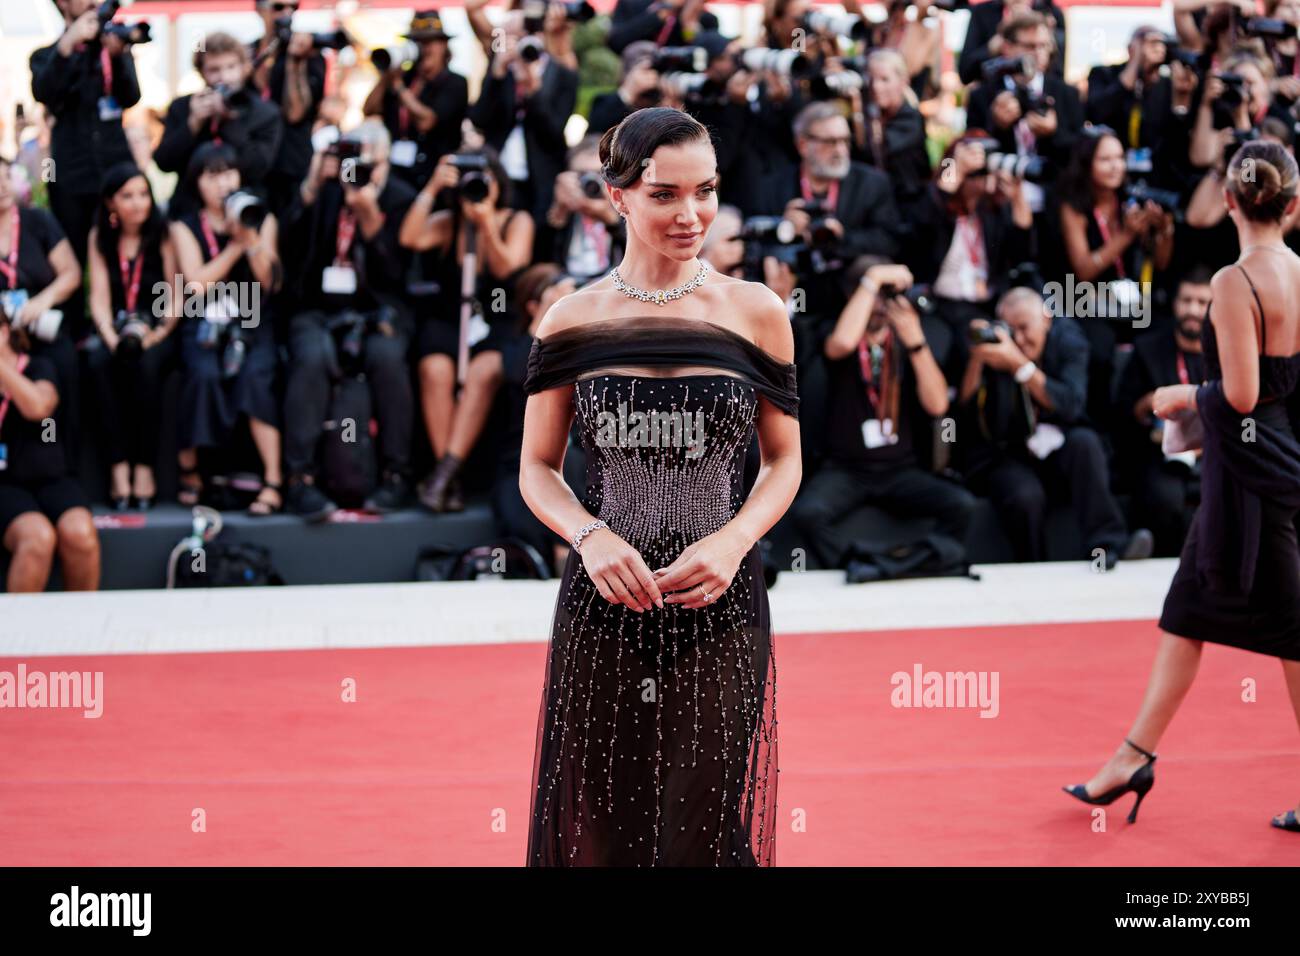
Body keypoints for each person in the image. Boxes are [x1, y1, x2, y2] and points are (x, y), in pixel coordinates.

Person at [519, 107, 802, 865]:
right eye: (665, 195)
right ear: (617, 197)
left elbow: (785, 461)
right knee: (608, 828)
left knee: (699, 828)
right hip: (603, 602)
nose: (692, 215)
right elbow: (537, 469)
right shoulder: (572, 319)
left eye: (705, 191)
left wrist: (736, 539)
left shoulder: (757, 311)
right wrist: (591, 533)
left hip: (721, 601)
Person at [1065, 142, 1300, 833]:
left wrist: (1182, 393)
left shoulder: (1237, 281)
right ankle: (1133, 755)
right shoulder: (1296, 270)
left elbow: (1244, 394)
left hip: (1249, 478)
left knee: (1283, 628)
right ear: (1291, 206)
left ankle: (1132, 758)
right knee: (1190, 610)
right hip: (1270, 465)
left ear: (1228, 201)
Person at [792, 260, 975, 569]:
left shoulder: (907, 342)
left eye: (887, 296)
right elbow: (841, 344)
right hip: (846, 470)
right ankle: (856, 562)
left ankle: (911, 561)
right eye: (875, 296)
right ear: (855, 295)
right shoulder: (833, 332)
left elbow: (938, 406)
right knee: (808, 513)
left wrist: (915, 340)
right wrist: (873, 279)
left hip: (900, 469)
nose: (881, 306)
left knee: (962, 505)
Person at [954, 287, 1150, 567]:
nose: (1019, 339)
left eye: (1025, 327)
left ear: (1046, 318)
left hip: (1060, 443)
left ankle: (1108, 545)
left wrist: (1020, 366)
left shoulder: (1069, 340)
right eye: (1011, 330)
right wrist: (977, 357)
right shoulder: (998, 347)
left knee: (1086, 443)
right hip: (1010, 451)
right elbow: (966, 409)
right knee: (1024, 496)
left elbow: (1070, 403)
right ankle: (1033, 565)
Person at [280, 120, 417, 520]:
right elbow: (289, 250)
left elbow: (398, 275)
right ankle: (299, 480)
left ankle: (397, 474)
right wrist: (310, 184)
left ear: (384, 159)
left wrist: (371, 221)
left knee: (387, 359)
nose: (357, 168)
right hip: (318, 308)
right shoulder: (324, 193)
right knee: (311, 356)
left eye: (366, 157)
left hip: (379, 310)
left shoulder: (398, 197)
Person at [400, 146, 534, 512]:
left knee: (484, 369)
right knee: (435, 369)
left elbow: (508, 268)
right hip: (450, 319)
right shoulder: (449, 222)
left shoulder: (515, 219)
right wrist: (431, 188)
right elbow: (409, 238)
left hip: (497, 319)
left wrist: (486, 220)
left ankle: (444, 474)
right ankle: (451, 479)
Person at [170, 143, 284, 515]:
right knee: (201, 374)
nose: (223, 183)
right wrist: (235, 246)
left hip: (253, 318)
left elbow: (270, 283)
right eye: (212, 175)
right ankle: (194, 472)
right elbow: (196, 284)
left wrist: (252, 239)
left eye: (229, 172)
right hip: (204, 319)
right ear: (197, 182)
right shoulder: (184, 225)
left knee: (255, 376)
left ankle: (272, 479)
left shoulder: (262, 219)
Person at [30, 0, 142, 343]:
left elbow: (130, 97)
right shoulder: (46, 55)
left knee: (125, 248)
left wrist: (119, 55)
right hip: (71, 175)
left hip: (114, 170)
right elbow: (45, 91)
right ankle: (76, 335)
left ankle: (129, 321)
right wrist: (68, 45)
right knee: (74, 252)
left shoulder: (110, 51)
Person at [84, 162, 180, 511]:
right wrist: (110, 337)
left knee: (147, 367)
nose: (139, 203)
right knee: (97, 362)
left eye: (143, 194)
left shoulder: (162, 233)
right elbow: (98, 296)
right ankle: (117, 468)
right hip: (115, 330)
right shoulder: (100, 237)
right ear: (111, 203)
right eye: (128, 196)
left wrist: (157, 333)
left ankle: (144, 468)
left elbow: (175, 292)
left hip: (157, 330)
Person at [0, 308, 99, 593]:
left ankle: (81, 632)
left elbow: (39, 408)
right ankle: (18, 636)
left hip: (51, 477)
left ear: (5, 333)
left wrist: (3, 368)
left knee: (80, 533)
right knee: (37, 537)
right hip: (5, 484)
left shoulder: (40, 366)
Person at [0, 156, 83, 472]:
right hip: (3, 338)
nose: (1, 186)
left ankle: (64, 467)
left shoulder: (38, 221)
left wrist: (40, 303)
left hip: (42, 327)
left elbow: (71, 274)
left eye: (5, 176)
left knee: (63, 365)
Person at [154, 32, 284, 219]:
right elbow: (164, 163)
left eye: (231, 67)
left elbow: (257, 168)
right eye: (214, 70)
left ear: (243, 68)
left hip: (244, 209)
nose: (224, 77)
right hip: (189, 212)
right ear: (201, 72)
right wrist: (193, 123)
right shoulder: (183, 107)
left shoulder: (265, 113)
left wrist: (229, 120)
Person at [362, 10, 468, 191]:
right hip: (396, 173)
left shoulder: (455, 82)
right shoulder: (404, 78)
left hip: (435, 176)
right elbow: (369, 109)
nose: (423, 48)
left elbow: (426, 121)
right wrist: (386, 75)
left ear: (443, 45)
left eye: (428, 42)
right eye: (417, 42)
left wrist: (400, 89)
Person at [249, 0, 328, 217]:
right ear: (260, 9)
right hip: (252, 168)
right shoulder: (248, 53)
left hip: (291, 169)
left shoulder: (310, 57)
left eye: (293, 7)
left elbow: (295, 113)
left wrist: (294, 63)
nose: (287, 14)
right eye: (278, 7)